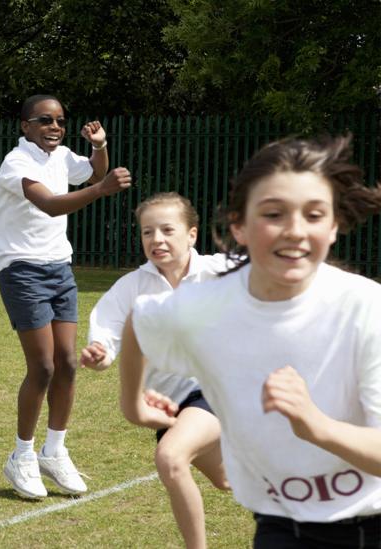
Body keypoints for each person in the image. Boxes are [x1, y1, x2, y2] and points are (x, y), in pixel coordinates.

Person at [119, 135, 381, 547]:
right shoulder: (207, 304)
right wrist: (132, 403)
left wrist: (316, 426)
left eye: (314, 215)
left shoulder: (366, 308)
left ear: (333, 227)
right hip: (280, 522)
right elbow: (138, 323)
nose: (295, 231)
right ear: (238, 226)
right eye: (274, 213)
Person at [0, 94, 132, 499]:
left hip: (59, 267)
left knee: (68, 361)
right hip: (22, 269)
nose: (54, 127)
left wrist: (99, 147)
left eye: (60, 121)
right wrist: (102, 190)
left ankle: (54, 451)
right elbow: (51, 205)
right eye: (44, 120)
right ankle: (21, 455)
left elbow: (90, 172)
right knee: (43, 367)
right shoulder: (16, 163)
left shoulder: (60, 155)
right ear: (25, 126)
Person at [80, 192, 229, 548]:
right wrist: (100, 354)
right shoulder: (132, 286)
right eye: (148, 232)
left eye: (167, 230)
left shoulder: (223, 272)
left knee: (171, 458)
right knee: (230, 480)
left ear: (192, 234)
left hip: (219, 393)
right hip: (166, 407)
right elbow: (105, 336)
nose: (156, 240)